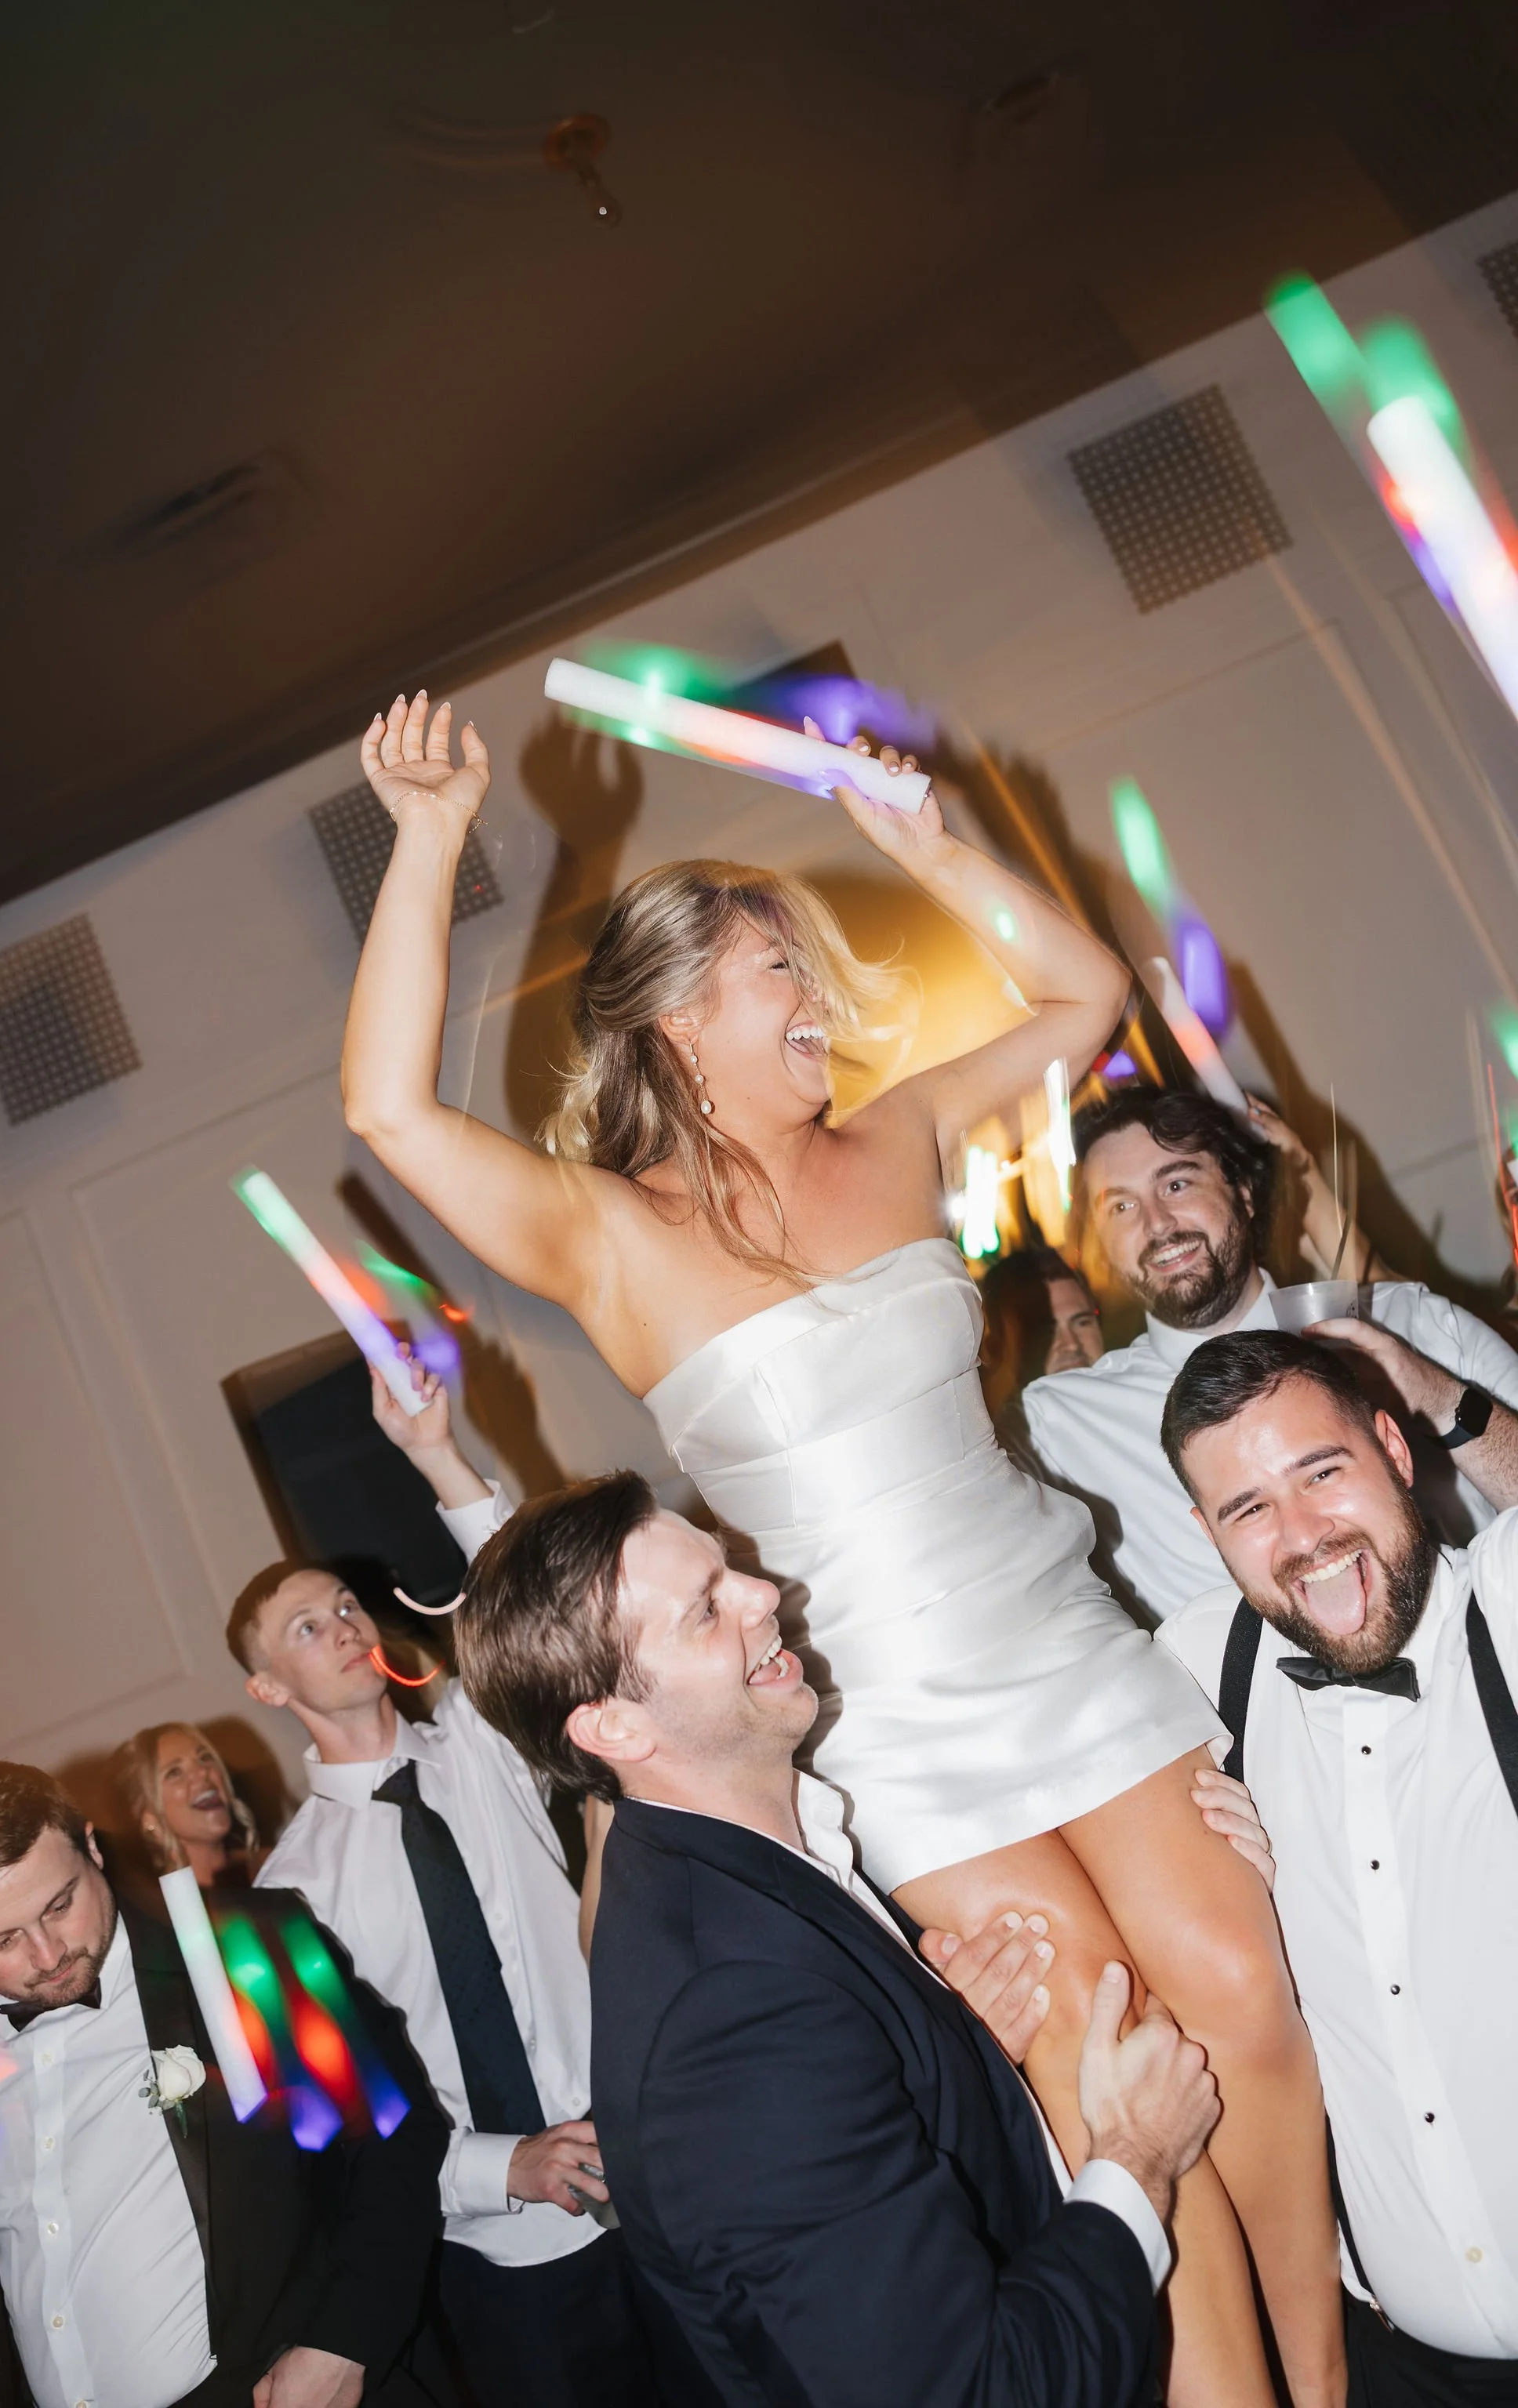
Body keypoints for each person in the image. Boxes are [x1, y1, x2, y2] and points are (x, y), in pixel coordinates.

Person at [337, 687, 1343, 2406]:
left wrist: (933, 847)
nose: (814, 997)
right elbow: (387, 1113)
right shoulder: (609, 1238)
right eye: (773, 972)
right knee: (1109, 2057)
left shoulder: (894, 1132)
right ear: (674, 1023)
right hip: (891, 1718)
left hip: (1060, 1634)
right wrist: (430, 836)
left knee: (1241, 1990)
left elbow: (1082, 996)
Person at [447, 1470, 1222, 2406]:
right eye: (706, 1610)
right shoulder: (727, 2020)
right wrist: (1136, 2157)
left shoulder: (728, 1869)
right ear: (614, 1726)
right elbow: (980, 2392)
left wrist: (939, 2050)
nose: (763, 1594)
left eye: (727, 1568)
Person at [233, 1375, 661, 2408]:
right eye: (306, 1628)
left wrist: (435, 1452)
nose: (344, 1625)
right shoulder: (289, 1892)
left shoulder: (478, 1739)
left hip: (659, 2163)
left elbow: (537, 1600)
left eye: (344, 1606)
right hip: (500, 2265)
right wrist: (498, 2168)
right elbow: (335, 2120)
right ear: (268, 1688)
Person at [1156, 1329, 1518, 2404]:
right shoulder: (1198, 1669)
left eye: (1322, 1473)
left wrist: (1450, 1400)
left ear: (1395, 1453)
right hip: (1396, 2368)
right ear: (1206, 1536)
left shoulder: (1505, 1607)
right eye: (1248, 1509)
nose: (1302, 1535)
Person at [0, 1759, 445, 2408]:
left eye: (60, 1905)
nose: (48, 1955)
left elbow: (396, 2136)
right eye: (1, 1941)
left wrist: (345, 2342)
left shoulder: (243, 1947)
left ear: (91, 1848)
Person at [1023, 1086, 1518, 1623]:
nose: (1157, 1223)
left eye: (1176, 1183)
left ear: (1244, 1193)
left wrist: (1433, 1397)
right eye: (1121, 1206)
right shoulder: (1060, 1423)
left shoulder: (1413, 1324)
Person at [111, 1722, 263, 1888]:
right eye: (174, 1772)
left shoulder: (274, 1868)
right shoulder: (156, 1902)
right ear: (149, 1818)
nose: (203, 1772)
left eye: (205, 1758)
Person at [979, 1244, 1103, 1439]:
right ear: (996, 1349)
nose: (1072, 1344)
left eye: (1082, 1323)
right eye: (1047, 1331)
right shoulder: (1000, 1449)